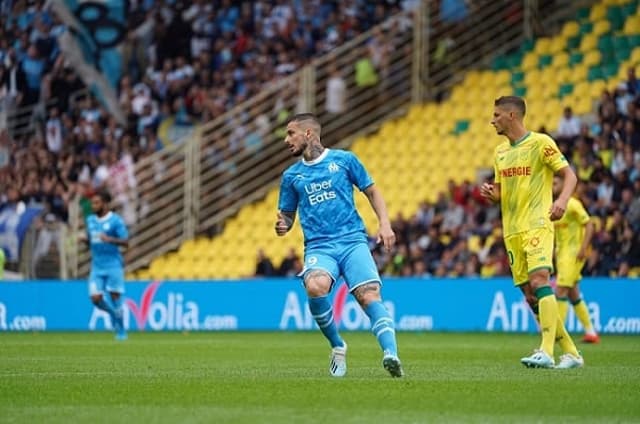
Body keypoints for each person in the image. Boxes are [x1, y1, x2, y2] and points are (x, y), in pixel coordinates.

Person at [275, 113, 403, 378]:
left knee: (368, 295)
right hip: (319, 246)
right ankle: (337, 345)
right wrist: (283, 225)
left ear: (308, 134)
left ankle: (391, 354)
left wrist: (385, 224)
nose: (286, 140)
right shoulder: (291, 176)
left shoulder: (344, 160)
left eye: (291, 133)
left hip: (353, 240)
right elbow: (287, 215)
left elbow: (372, 191)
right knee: (315, 286)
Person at [480, 96, 584, 369]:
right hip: (512, 230)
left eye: (497, 115)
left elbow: (570, 175)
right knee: (530, 294)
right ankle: (572, 353)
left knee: (540, 281)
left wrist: (561, 201)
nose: (492, 120)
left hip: (538, 223)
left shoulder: (541, 143)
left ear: (512, 116)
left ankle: (546, 351)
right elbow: (502, 192)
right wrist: (493, 194)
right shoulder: (500, 153)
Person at [552, 175, 599, 343]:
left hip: (573, 254)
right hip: (561, 255)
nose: (552, 186)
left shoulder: (572, 204)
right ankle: (591, 332)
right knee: (573, 294)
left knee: (560, 291)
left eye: (555, 183)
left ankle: (557, 334)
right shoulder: (554, 208)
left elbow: (590, 225)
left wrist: (583, 248)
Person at [81, 191, 129, 340]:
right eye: (92, 203)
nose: (93, 206)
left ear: (105, 203)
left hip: (113, 264)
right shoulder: (90, 220)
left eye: (96, 203)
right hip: (97, 265)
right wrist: (84, 241)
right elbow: (92, 242)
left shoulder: (116, 221)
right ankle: (113, 314)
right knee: (95, 298)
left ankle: (121, 332)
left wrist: (109, 239)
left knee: (115, 297)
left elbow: (126, 242)